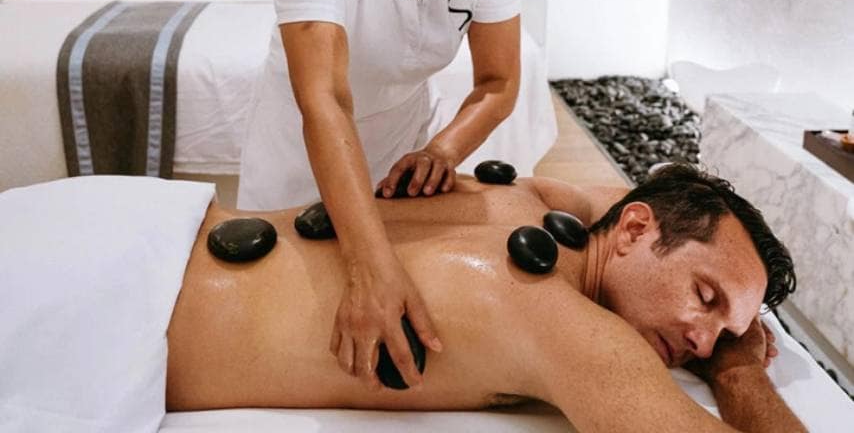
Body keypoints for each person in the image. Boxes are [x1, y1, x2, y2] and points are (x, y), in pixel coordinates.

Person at [168, 165, 805, 432]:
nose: (702, 340)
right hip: (126, 316)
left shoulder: (519, 200)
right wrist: (740, 368)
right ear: (635, 228)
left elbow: (592, 203)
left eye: (723, 336)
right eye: (705, 296)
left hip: (156, 219)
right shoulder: (567, 326)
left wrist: (714, 323)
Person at [238, 0, 521, 390]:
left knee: (382, 350)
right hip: (302, 160)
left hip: (400, 161)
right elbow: (324, 99)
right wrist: (367, 263)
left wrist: (441, 152)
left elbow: (498, 84)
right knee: (284, 339)